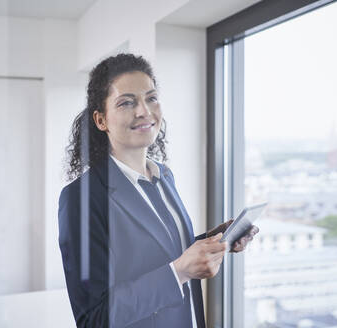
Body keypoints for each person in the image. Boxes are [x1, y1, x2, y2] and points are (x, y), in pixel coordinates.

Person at [58, 53, 259, 328]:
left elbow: (158, 253)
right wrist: (178, 273)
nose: (144, 111)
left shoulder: (164, 176)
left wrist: (215, 240)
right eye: (127, 102)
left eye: (151, 98)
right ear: (101, 119)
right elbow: (94, 318)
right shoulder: (81, 198)